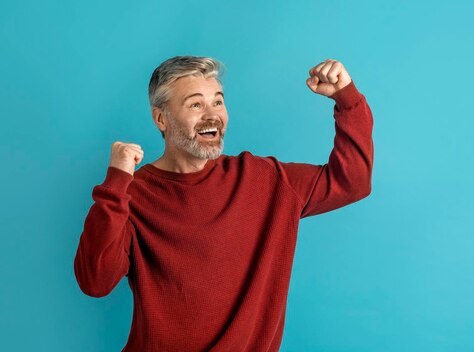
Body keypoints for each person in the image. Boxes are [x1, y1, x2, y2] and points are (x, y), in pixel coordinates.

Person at [73, 55, 374, 351]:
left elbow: (352, 181)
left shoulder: (264, 179)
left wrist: (346, 99)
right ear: (161, 118)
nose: (212, 115)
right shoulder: (132, 194)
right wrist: (116, 182)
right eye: (195, 104)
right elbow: (96, 281)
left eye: (217, 101)